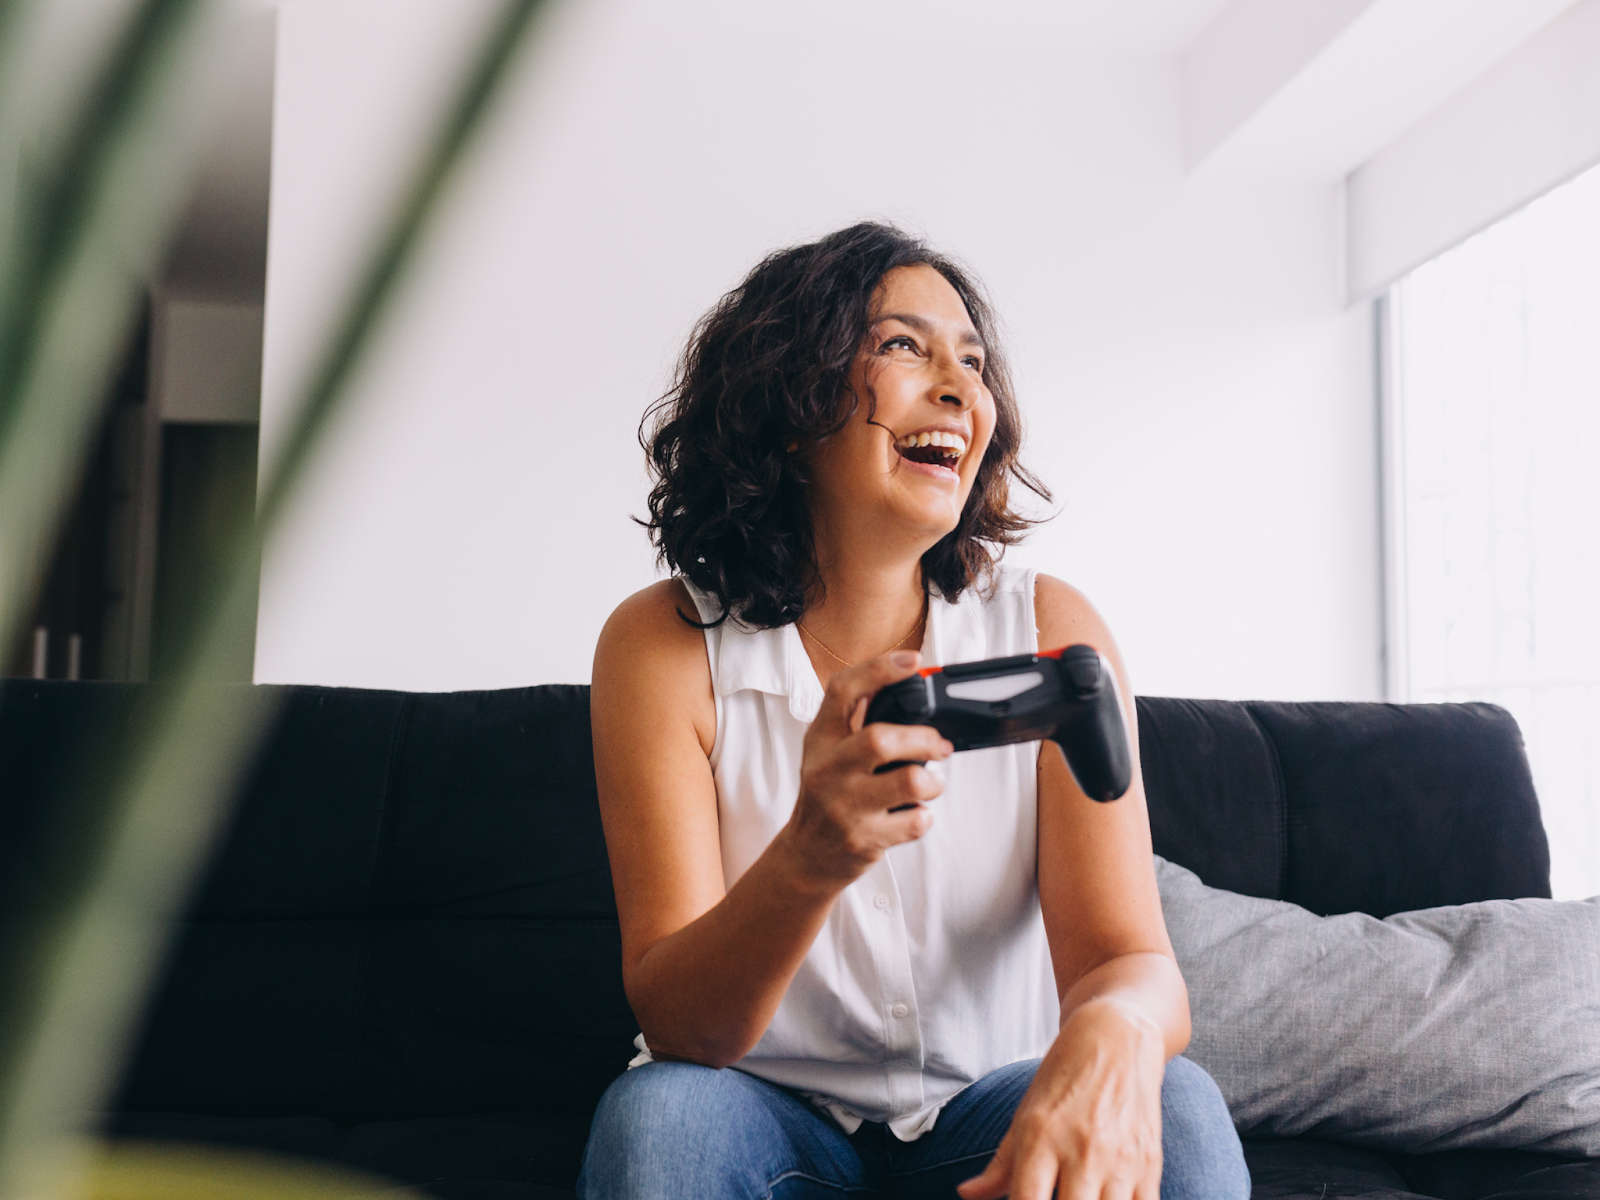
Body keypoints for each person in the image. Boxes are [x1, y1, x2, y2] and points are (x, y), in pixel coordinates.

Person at [580, 223, 1249, 1200]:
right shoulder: (663, 645)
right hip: (758, 1112)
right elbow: (684, 1030)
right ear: (790, 400)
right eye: (902, 345)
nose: (960, 388)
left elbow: (1126, 956)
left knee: (1176, 1104)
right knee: (659, 1119)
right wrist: (811, 854)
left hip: (989, 1110)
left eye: (972, 361)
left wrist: (1119, 1027)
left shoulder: (1049, 630)